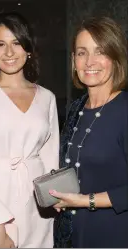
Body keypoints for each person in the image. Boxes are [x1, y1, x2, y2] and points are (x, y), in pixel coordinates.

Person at [0, 12, 59, 248]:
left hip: (36, 203)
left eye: (16, 43)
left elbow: (50, 157)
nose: (8, 52)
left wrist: (54, 198)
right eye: (0, 44)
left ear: (28, 48)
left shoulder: (47, 97)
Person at [51, 16, 128, 247]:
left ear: (115, 59)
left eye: (100, 51)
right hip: (72, 234)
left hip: (114, 234)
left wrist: (86, 201)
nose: (89, 61)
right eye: (82, 52)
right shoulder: (76, 108)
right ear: (73, 61)